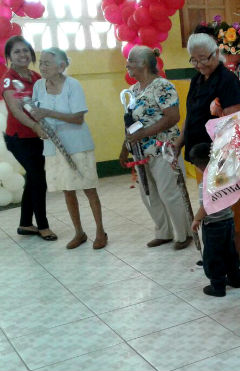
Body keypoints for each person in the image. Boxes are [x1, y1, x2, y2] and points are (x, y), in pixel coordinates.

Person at [176, 32, 240, 263]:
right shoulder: (197, 79)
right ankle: (216, 252)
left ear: (217, 53)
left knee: (231, 203)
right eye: (194, 60)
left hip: (223, 155)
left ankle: (236, 254)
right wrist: (179, 142)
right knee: (208, 201)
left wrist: (223, 155)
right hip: (201, 155)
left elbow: (233, 118)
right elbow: (192, 114)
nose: (199, 64)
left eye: (204, 58)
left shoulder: (227, 80)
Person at [29, 47, 107, 249]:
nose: (42, 66)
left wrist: (49, 113)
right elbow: (36, 111)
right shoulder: (38, 85)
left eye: (47, 63)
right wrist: (38, 126)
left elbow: (78, 118)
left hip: (77, 144)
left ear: (61, 66)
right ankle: (79, 232)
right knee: (67, 190)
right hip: (53, 146)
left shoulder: (73, 85)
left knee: (88, 188)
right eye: (41, 62)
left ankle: (100, 231)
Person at [119, 46, 191, 250]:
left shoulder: (162, 86)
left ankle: (183, 234)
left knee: (170, 192)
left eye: (131, 60)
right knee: (148, 194)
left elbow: (173, 117)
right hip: (141, 152)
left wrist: (144, 134)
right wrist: (125, 147)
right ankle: (164, 232)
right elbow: (131, 124)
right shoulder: (133, 91)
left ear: (143, 64)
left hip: (164, 148)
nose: (127, 64)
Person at [1, 36, 56, 241]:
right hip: (19, 138)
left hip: (36, 136)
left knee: (34, 179)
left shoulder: (35, 77)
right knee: (39, 180)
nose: (22, 54)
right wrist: (35, 125)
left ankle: (25, 224)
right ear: (9, 56)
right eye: (17, 52)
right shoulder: (8, 79)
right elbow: (16, 110)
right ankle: (43, 226)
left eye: (25, 50)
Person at [190, 143, 240, 297]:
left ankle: (218, 286)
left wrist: (196, 220)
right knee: (230, 252)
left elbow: (205, 206)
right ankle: (235, 279)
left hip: (213, 225)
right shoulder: (224, 176)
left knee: (213, 256)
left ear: (198, 165)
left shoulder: (205, 183)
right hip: (228, 221)